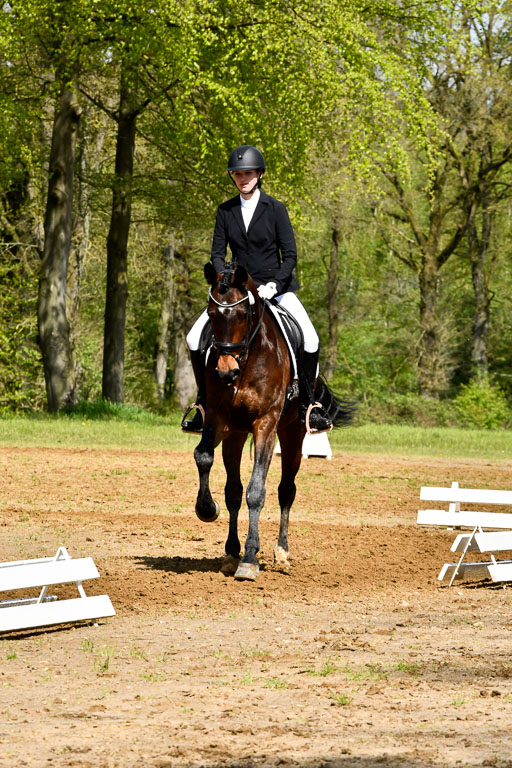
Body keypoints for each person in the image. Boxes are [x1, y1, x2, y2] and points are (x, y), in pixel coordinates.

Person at [181, 144, 332, 434]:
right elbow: (216, 252)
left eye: (248, 173)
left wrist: (273, 284)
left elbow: (290, 256)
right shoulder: (225, 211)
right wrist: (224, 280)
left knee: (310, 339)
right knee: (192, 338)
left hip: (276, 289)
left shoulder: (275, 209)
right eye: (238, 174)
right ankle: (202, 403)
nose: (242, 178)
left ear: (259, 174)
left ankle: (308, 407)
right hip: (237, 291)